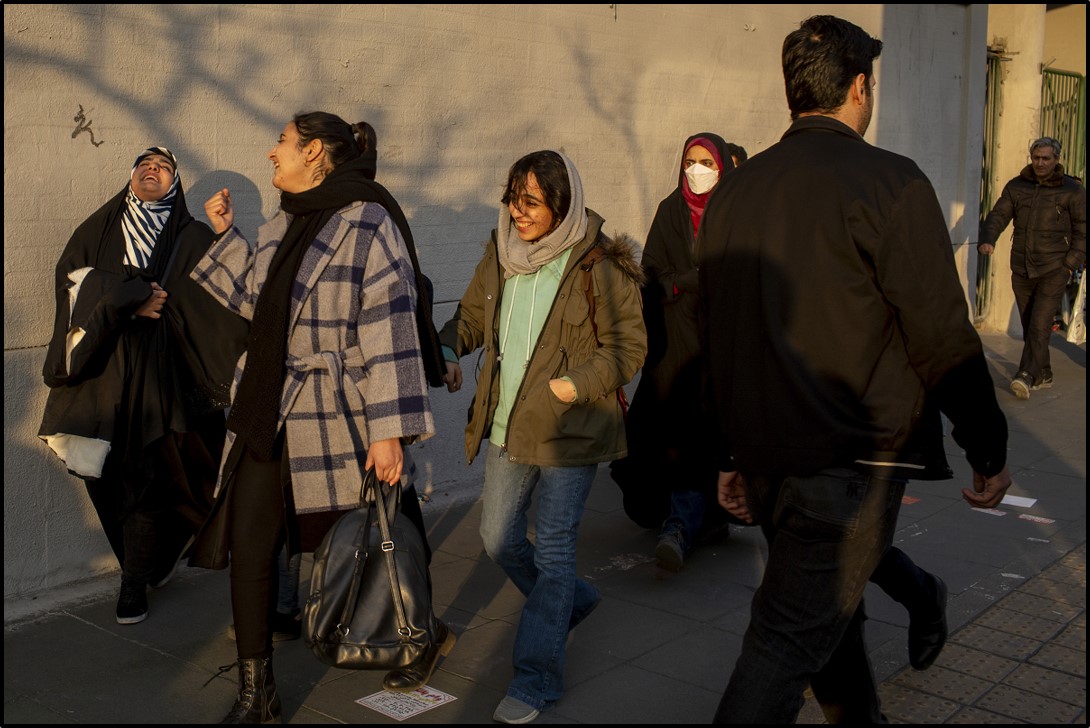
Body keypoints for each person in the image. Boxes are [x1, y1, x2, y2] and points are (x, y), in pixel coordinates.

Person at [697, 15, 1013, 723]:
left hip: (772, 456)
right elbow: (940, 332)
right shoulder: (889, 182)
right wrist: (987, 447)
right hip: (849, 461)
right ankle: (921, 601)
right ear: (860, 88)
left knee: (820, 622)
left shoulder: (734, 195)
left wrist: (726, 450)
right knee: (786, 639)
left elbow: (713, 340)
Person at [191, 111, 446, 724]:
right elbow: (259, 301)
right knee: (252, 545)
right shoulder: (281, 224)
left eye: (282, 142)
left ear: (315, 153)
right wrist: (225, 238)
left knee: (379, 532)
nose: (271, 152)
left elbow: (389, 326)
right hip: (268, 407)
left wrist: (389, 431)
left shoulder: (368, 220)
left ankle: (418, 631)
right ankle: (259, 693)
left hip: (340, 413)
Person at [438, 150, 646, 723]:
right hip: (509, 424)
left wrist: (574, 386)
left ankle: (535, 679)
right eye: (513, 197)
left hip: (570, 432)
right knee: (498, 539)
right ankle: (571, 601)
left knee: (554, 551)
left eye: (531, 201)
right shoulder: (501, 251)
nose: (517, 210)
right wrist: (450, 347)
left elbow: (629, 348)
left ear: (562, 202)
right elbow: (473, 315)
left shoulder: (599, 263)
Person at [38, 147, 247, 626]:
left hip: (164, 379)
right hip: (104, 375)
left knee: (149, 473)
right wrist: (129, 299)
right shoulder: (100, 228)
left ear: (174, 183)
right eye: (145, 166)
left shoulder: (191, 235)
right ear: (132, 175)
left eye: (164, 168)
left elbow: (222, 295)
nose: (153, 172)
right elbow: (71, 280)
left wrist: (221, 236)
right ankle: (149, 559)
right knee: (105, 474)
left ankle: (133, 580)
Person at [610, 133, 737, 571]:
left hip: (721, 349)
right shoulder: (670, 211)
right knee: (666, 435)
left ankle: (682, 526)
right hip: (674, 346)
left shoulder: (738, 213)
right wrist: (683, 280)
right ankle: (689, 519)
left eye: (706, 162)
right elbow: (651, 275)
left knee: (703, 438)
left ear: (723, 167)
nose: (696, 171)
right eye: (690, 162)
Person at [977, 136, 1086, 399]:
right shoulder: (1017, 186)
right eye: (1036, 158)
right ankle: (1044, 371)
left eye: (1046, 158)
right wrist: (988, 239)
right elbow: (999, 215)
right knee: (1029, 324)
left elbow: (1083, 231)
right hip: (1022, 268)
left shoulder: (1072, 191)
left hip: (1054, 268)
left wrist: (1068, 265)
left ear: (1057, 160)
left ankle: (1025, 375)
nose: (1040, 163)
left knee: (1039, 324)